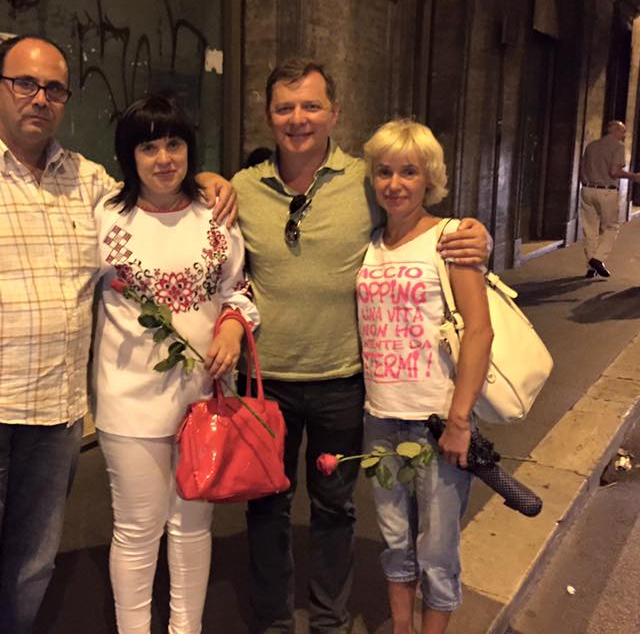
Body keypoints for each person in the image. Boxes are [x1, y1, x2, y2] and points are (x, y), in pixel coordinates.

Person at [0, 35, 235, 633]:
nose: (40, 98)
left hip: (55, 420)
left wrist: (207, 180)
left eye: (54, 88)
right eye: (25, 84)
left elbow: (153, 188)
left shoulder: (86, 183)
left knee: (29, 575)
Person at [230, 58, 490, 634]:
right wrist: (206, 181)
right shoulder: (242, 188)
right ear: (268, 115)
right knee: (266, 506)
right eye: (284, 108)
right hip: (265, 380)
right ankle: (273, 621)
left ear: (334, 112)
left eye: (311, 105)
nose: (298, 119)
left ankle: (329, 621)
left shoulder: (364, 179)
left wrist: (476, 233)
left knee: (334, 509)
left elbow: (418, 214)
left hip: (344, 381)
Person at [91, 95, 258, 633]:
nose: (164, 158)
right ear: (129, 155)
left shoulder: (216, 215)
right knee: (137, 530)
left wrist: (232, 325)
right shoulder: (104, 217)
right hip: (128, 400)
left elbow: (238, 288)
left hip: (203, 399)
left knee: (192, 527)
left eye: (174, 144)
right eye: (148, 147)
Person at [358, 119, 493, 634]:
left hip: (437, 423)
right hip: (380, 419)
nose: (395, 184)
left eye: (409, 172)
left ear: (429, 177)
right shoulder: (371, 244)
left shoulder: (450, 239)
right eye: (384, 172)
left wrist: (459, 421)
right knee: (395, 543)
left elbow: (478, 332)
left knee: (437, 551)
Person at [578, 120, 640, 278]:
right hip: (606, 191)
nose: (624, 135)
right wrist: (634, 176)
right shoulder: (618, 146)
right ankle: (597, 259)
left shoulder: (591, 146)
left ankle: (591, 267)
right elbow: (614, 172)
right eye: (623, 131)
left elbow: (582, 168)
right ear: (615, 131)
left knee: (590, 229)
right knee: (611, 227)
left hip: (587, 189)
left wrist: (586, 182)